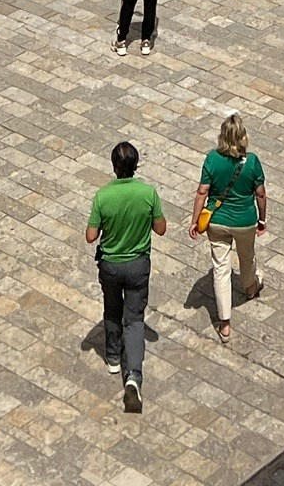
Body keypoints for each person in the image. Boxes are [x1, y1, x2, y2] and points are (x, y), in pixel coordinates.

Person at [86, 140, 165, 413]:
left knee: (112, 309)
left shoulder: (103, 196)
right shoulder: (148, 193)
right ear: (136, 165)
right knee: (134, 320)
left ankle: (112, 357)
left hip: (110, 265)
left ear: (113, 166)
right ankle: (133, 376)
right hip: (138, 265)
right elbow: (161, 229)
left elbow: (91, 236)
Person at [193, 113, 267, 343]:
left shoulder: (212, 159)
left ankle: (224, 323)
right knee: (247, 257)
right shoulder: (252, 161)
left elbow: (202, 191)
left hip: (216, 221)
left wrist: (195, 221)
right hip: (245, 222)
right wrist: (262, 220)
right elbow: (260, 194)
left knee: (220, 269)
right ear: (243, 136)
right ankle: (250, 287)